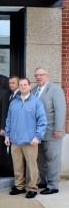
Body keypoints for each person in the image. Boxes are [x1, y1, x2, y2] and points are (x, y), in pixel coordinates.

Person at [5, 78, 47, 199]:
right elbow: (8, 120)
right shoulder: (14, 102)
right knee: (17, 166)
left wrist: (37, 137)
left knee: (31, 165)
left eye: (25, 85)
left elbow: (42, 121)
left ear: (29, 86)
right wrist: (7, 135)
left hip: (31, 141)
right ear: (19, 87)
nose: (23, 87)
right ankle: (19, 187)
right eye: (21, 85)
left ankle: (33, 188)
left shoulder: (36, 102)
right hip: (15, 140)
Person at [32, 67, 66, 195]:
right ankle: (44, 181)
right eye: (36, 75)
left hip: (53, 132)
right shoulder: (34, 90)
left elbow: (60, 110)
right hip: (38, 133)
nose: (39, 77)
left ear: (48, 76)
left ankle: (53, 186)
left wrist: (58, 129)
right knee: (41, 159)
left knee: (52, 159)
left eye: (41, 75)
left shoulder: (55, 90)